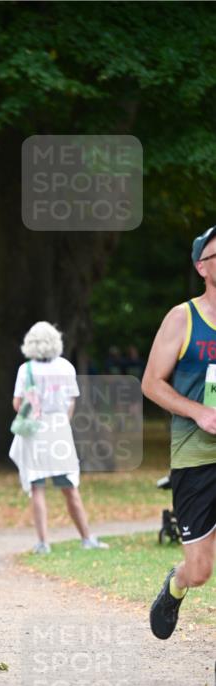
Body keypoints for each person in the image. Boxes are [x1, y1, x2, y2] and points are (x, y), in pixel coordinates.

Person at [142, 225, 216, 640]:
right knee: (201, 570)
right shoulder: (182, 319)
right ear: (201, 266)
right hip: (196, 457)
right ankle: (177, 581)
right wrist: (199, 413)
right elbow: (151, 383)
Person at [9, 321, 110, 554]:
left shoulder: (26, 370)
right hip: (59, 430)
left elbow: (17, 403)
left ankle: (43, 542)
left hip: (34, 430)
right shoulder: (66, 367)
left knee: (37, 487)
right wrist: (62, 422)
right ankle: (86, 537)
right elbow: (72, 401)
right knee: (69, 487)